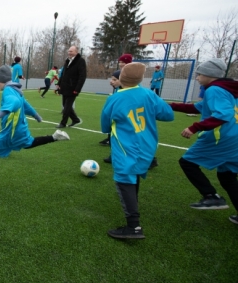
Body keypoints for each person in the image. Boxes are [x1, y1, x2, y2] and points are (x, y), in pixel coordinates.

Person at [101, 63, 174, 239]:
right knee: (134, 174)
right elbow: (168, 115)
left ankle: (133, 226)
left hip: (125, 146)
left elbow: (105, 126)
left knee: (124, 178)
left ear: (122, 78)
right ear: (141, 79)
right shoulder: (149, 94)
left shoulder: (115, 98)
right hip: (147, 145)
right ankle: (133, 204)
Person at [168, 58, 238, 223]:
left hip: (222, 137)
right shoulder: (229, 89)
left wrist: (195, 127)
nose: (197, 77)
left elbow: (223, 115)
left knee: (187, 162)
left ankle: (211, 196)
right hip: (235, 137)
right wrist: (169, 105)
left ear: (210, 75)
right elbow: (196, 107)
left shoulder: (214, 90)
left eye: (199, 74)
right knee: (227, 176)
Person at [0, 65, 70, 186]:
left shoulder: (8, 91)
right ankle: (54, 137)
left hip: (11, 130)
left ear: (3, 80)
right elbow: (25, 105)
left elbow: (14, 103)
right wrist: (36, 116)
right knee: (29, 143)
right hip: (20, 128)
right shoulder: (16, 89)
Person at [100, 54, 131, 146]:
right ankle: (111, 139)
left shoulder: (131, 76)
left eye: (123, 62)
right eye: (120, 62)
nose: (121, 64)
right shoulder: (119, 73)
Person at [56, 46, 86, 128]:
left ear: (76, 52)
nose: (69, 53)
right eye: (69, 51)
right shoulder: (67, 61)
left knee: (67, 107)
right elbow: (63, 74)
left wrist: (77, 89)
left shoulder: (80, 61)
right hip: (65, 87)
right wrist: (59, 83)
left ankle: (63, 123)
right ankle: (75, 119)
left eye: (71, 51)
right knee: (65, 105)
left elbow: (82, 76)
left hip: (73, 88)